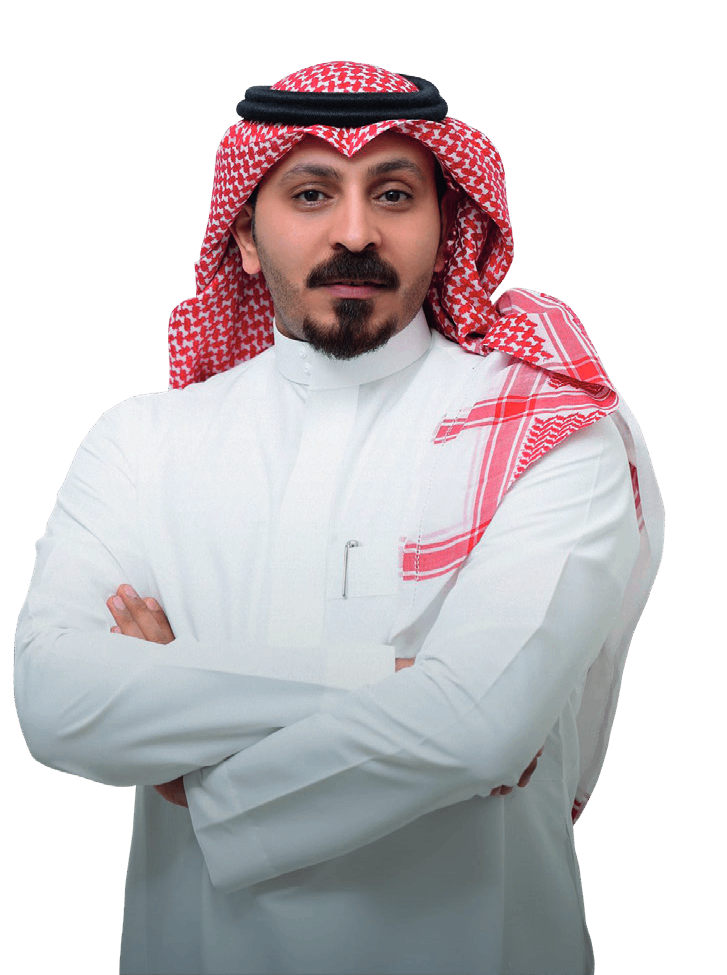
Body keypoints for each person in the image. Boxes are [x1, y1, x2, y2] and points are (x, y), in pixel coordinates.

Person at [14, 61, 664, 975]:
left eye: (394, 194)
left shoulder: (551, 429)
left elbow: (480, 727)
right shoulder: (141, 441)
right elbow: (56, 702)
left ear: (446, 227)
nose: (355, 232)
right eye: (311, 194)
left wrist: (192, 760)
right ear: (245, 237)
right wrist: (393, 680)